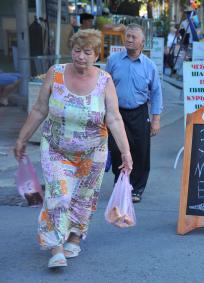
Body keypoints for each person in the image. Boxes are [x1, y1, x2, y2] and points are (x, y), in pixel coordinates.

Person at [14, 29, 133, 268]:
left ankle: (75, 235)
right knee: (59, 195)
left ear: (96, 55)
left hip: (93, 151)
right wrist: (22, 138)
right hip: (57, 148)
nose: (80, 56)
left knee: (84, 198)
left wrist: (126, 152)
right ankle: (55, 246)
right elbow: (39, 109)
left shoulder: (104, 80)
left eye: (87, 52)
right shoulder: (55, 73)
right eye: (77, 51)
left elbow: (114, 118)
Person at [106, 24, 163, 203]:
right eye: (127, 36)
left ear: (142, 42)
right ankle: (120, 182)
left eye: (133, 37)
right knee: (116, 149)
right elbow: (103, 86)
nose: (129, 39)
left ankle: (136, 189)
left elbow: (156, 93)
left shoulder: (149, 66)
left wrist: (156, 120)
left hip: (139, 112)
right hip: (116, 113)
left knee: (140, 151)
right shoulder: (113, 60)